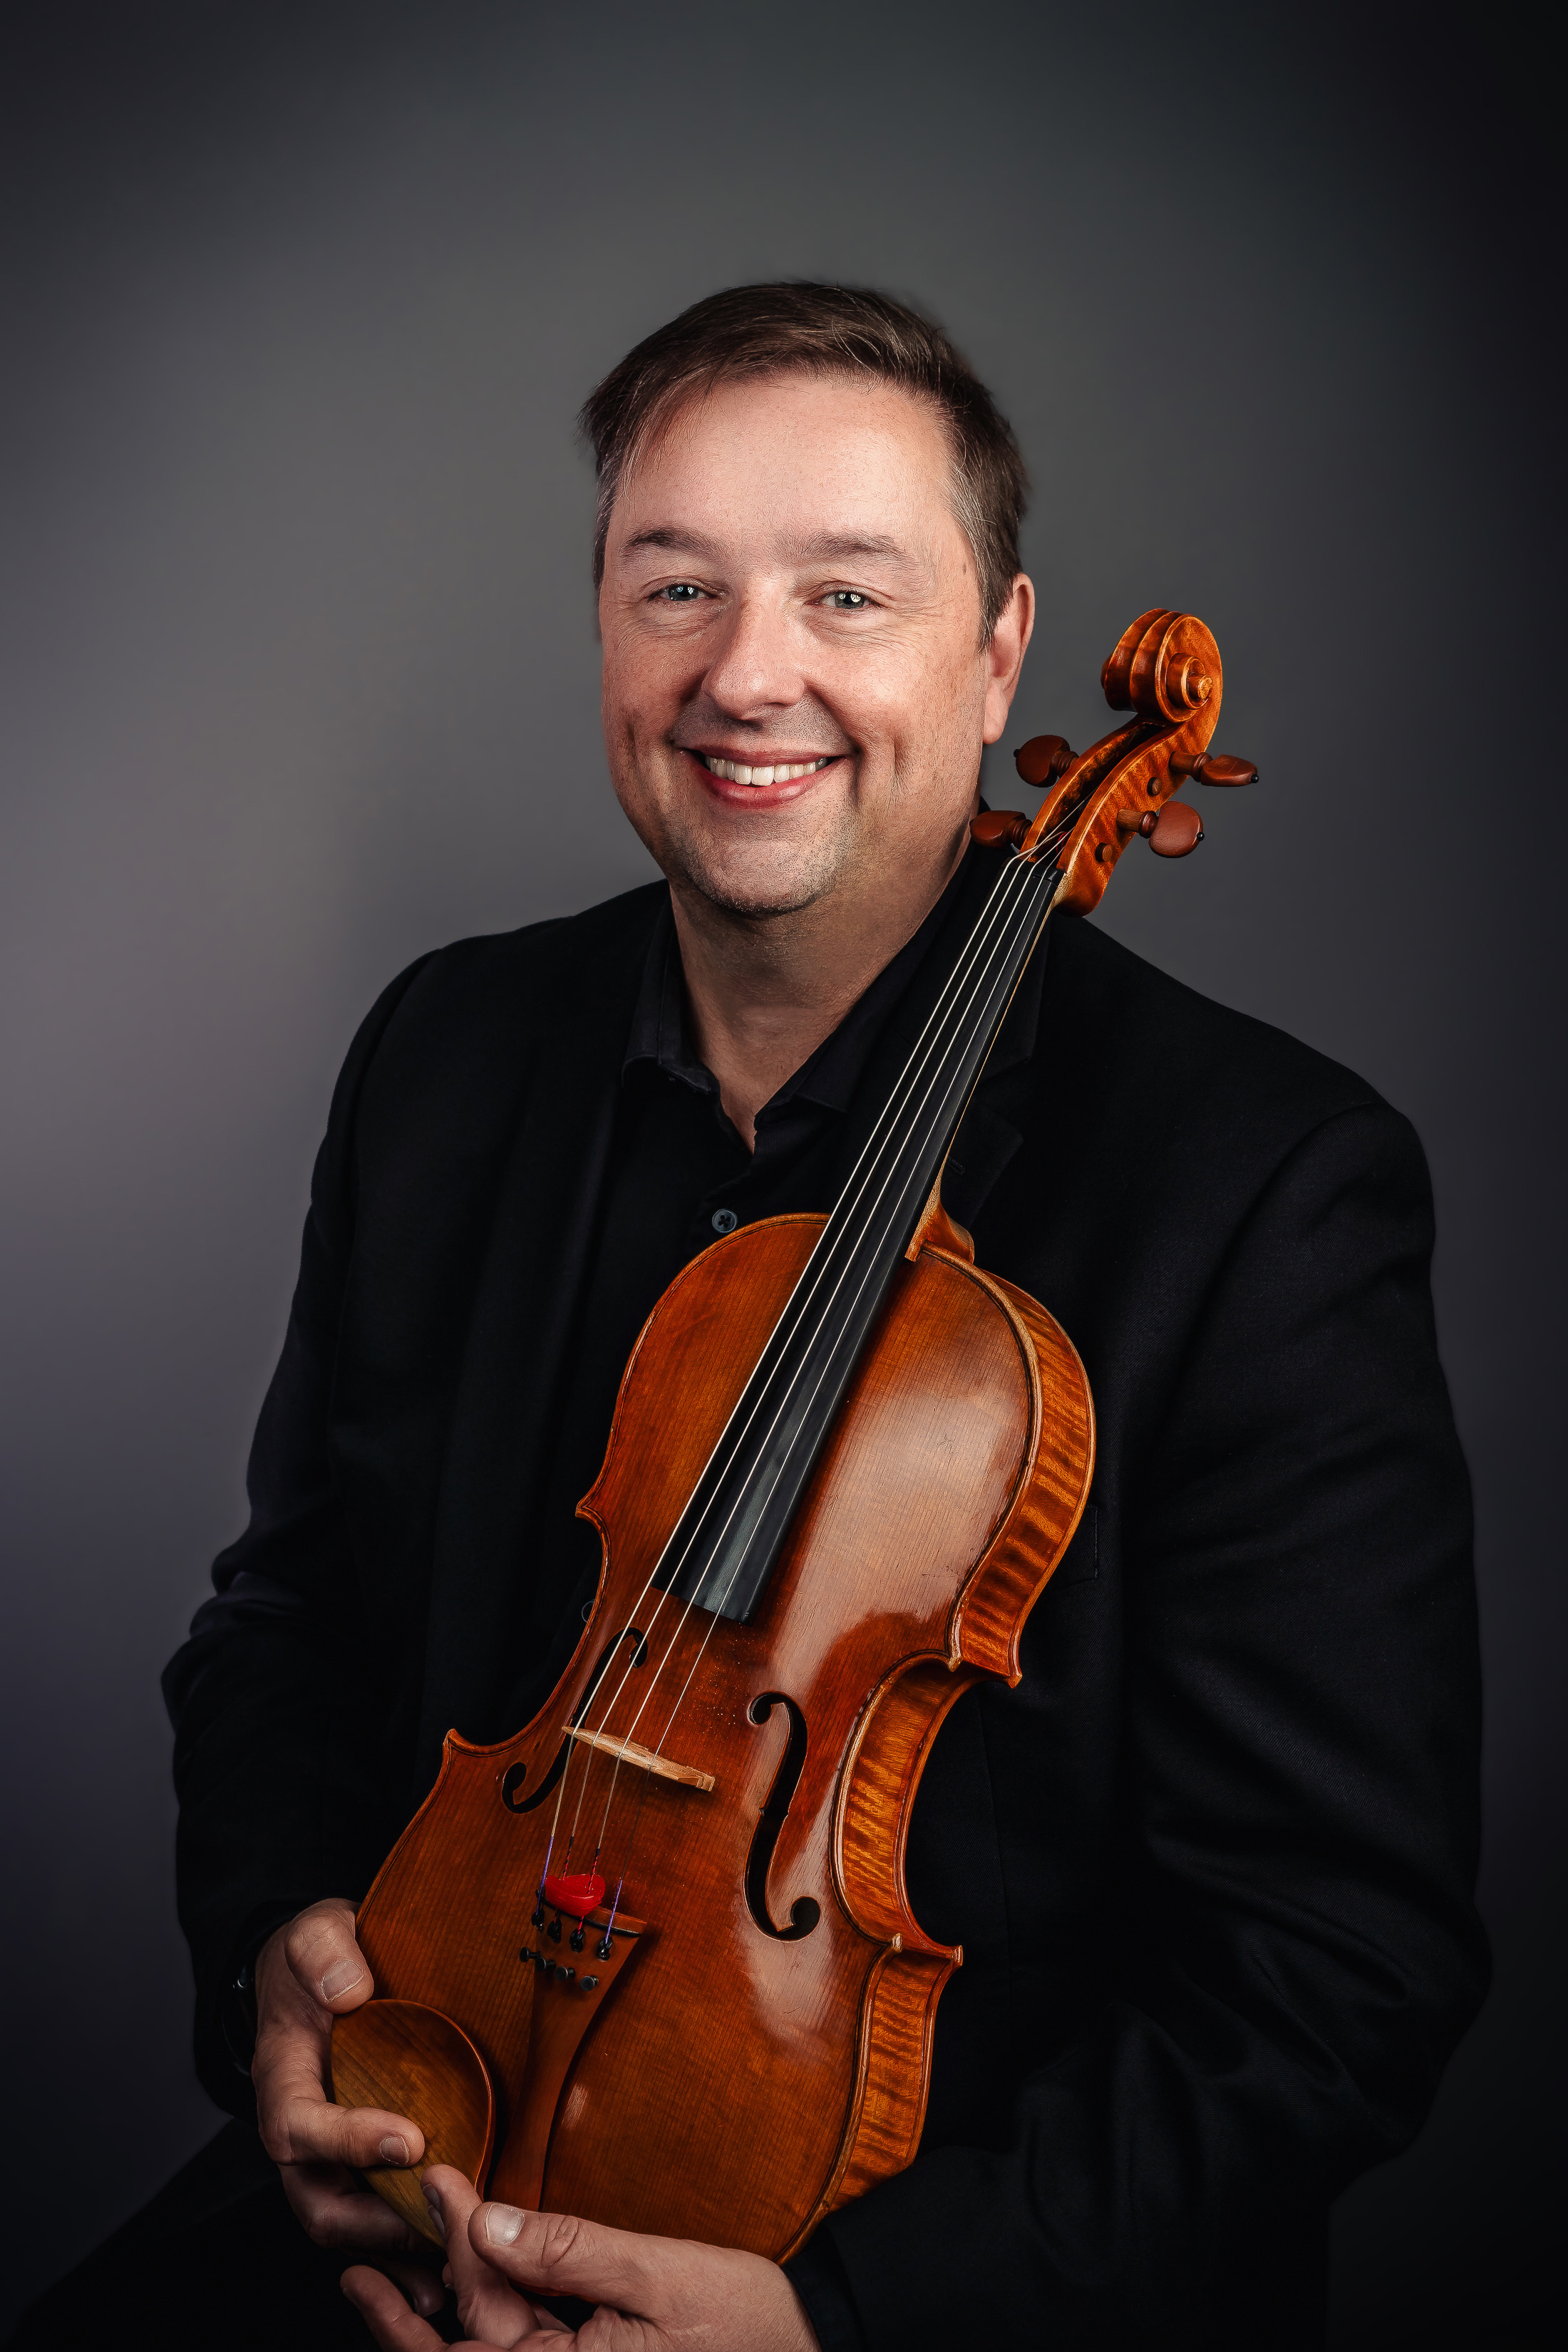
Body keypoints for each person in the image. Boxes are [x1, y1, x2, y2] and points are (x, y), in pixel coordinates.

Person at [13, 284, 1486, 2351]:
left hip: (918, 2277)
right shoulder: (447, 1052)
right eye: (676, 585)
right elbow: (290, 1618)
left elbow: (1332, 1969)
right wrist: (275, 1968)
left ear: (998, 657)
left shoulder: (1260, 1187)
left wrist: (842, 2323)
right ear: (605, 626)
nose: (744, 674)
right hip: (426, 2157)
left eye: (847, 594)